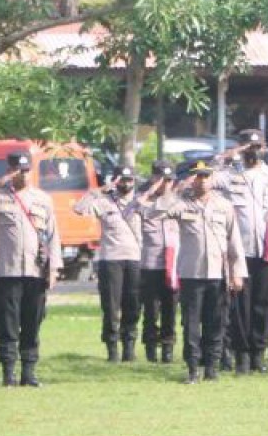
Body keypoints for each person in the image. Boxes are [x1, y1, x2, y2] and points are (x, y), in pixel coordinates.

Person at [0, 152, 62, 387]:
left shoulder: (42, 199)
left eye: (26, 170)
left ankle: (28, 372)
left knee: (32, 322)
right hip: (7, 270)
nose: (23, 174)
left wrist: (54, 269)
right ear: (10, 170)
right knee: (8, 323)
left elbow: (53, 236)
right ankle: (8, 372)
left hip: (35, 271)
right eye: (17, 170)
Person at [157, 160, 246, 384]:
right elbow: (157, 212)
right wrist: (175, 190)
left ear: (212, 179)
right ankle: (193, 367)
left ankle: (212, 367)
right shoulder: (183, 204)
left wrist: (237, 272)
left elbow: (234, 241)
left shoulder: (224, 205)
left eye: (206, 176)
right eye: (197, 176)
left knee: (216, 322)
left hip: (218, 273)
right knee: (191, 323)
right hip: (192, 274)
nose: (202, 180)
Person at [215, 129, 268, 375]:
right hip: (240, 251)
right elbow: (205, 177)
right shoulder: (228, 176)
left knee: (264, 304)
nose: (253, 152)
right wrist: (228, 156)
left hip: (267, 249)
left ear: (264, 148)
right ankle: (242, 355)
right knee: (240, 306)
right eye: (248, 147)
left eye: (257, 147)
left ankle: (258, 353)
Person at [73, 166, 144, 362]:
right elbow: (79, 208)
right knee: (111, 307)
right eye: (122, 180)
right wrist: (100, 189)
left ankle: (129, 346)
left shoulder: (140, 202)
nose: (126, 184)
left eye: (129, 180)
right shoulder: (104, 202)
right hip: (111, 259)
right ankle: (112, 347)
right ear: (115, 181)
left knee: (133, 305)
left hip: (135, 259)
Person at [135, 160, 180, 364]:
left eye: (169, 180)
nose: (166, 185)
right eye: (162, 180)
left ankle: (168, 347)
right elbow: (132, 210)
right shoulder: (143, 200)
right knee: (151, 309)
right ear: (154, 178)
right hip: (151, 263)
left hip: (173, 264)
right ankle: (151, 346)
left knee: (170, 308)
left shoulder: (178, 201)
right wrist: (151, 189)